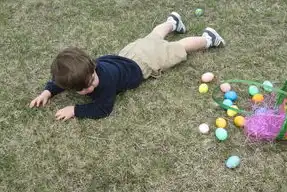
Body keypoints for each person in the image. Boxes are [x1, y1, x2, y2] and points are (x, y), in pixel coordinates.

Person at [29, 12, 225, 121]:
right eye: (83, 89)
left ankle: (208, 39)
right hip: (128, 53)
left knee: (177, 48)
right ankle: (172, 22)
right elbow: (63, 80)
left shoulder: (104, 82)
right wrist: (48, 92)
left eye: (91, 81)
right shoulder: (85, 70)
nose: (90, 88)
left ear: (93, 68)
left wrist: (75, 110)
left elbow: (103, 109)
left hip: (144, 63)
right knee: (153, 37)